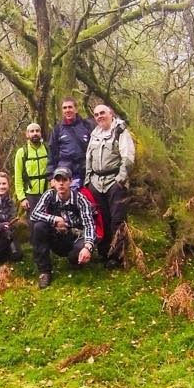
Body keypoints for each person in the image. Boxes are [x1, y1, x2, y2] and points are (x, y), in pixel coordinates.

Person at [85, 104, 135, 269]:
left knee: (117, 220)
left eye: (102, 113)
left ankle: (118, 255)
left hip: (115, 181)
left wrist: (120, 180)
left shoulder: (120, 131)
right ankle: (104, 252)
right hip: (96, 183)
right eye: (96, 114)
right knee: (101, 219)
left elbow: (127, 157)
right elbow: (88, 158)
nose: (99, 116)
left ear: (110, 113)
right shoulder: (95, 134)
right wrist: (88, 181)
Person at [29, 166, 97, 288]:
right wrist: (54, 219)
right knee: (39, 226)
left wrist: (88, 247)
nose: (61, 183)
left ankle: (78, 258)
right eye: (58, 180)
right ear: (53, 182)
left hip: (75, 237)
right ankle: (44, 271)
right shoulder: (49, 195)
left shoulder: (81, 200)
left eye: (64, 180)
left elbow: (89, 225)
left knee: (75, 258)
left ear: (70, 181)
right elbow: (34, 214)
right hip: (57, 236)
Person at [46, 97, 95, 189]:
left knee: (88, 201)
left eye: (70, 107)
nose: (67, 110)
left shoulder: (87, 125)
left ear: (76, 109)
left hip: (85, 173)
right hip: (65, 174)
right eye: (64, 108)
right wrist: (51, 177)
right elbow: (52, 154)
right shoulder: (57, 130)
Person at [13, 122, 48, 216]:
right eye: (31, 131)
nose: (35, 133)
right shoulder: (22, 152)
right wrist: (22, 198)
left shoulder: (48, 149)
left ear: (41, 133)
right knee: (33, 223)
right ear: (27, 134)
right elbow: (18, 177)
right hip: (31, 194)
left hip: (47, 192)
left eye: (37, 131)